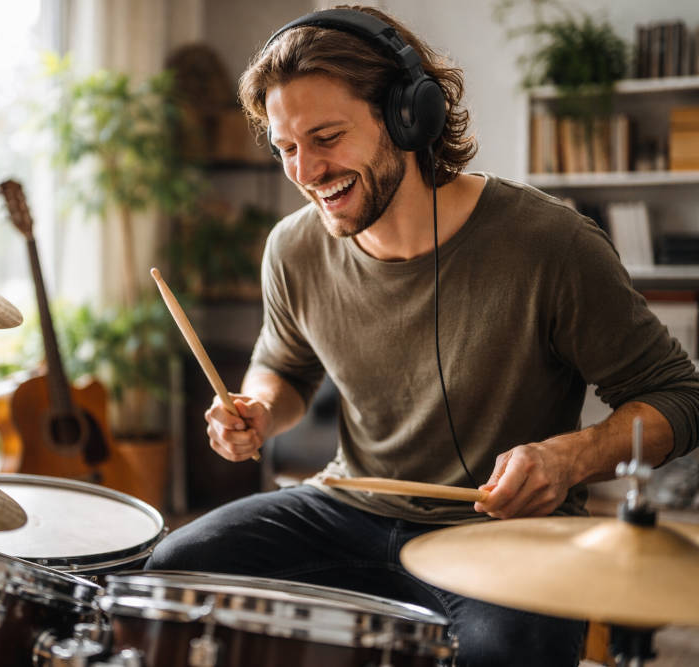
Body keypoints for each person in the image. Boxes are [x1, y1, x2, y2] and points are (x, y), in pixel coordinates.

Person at [144, 5, 699, 666]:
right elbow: (284, 366)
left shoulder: (551, 244)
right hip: (350, 504)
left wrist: (568, 458)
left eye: (326, 137)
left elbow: (678, 395)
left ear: (410, 116)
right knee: (175, 571)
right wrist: (259, 406)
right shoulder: (292, 248)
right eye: (287, 147)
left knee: (502, 652)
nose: (306, 171)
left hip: (504, 530)